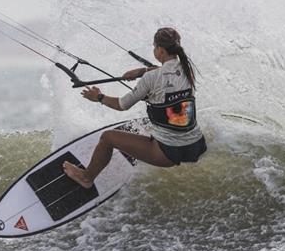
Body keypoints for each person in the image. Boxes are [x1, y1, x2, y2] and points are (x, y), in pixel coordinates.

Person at [63, 27, 207, 189]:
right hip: (196, 145)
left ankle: (86, 177)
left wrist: (99, 98)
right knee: (155, 119)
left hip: (168, 153)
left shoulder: (151, 78)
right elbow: (166, 77)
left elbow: (121, 105)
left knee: (108, 138)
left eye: (154, 47)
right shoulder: (188, 70)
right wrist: (142, 71)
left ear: (159, 50)